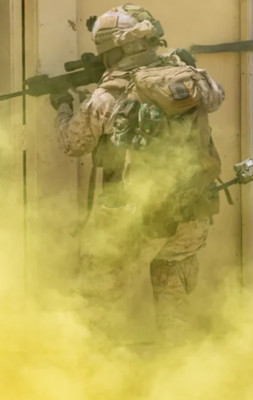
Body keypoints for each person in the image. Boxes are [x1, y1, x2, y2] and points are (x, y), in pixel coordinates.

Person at [51, 4, 226, 347]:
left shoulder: (109, 94)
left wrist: (63, 106)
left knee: (93, 303)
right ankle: (183, 366)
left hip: (140, 218)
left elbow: (72, 143)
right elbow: (216, 96)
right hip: (193, 212)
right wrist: (185, 65)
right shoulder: (189, 78)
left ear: (115, 49)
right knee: (172, 290)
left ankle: (79, 370)